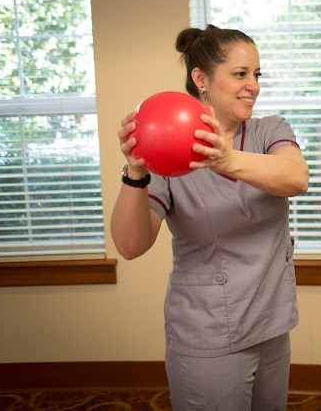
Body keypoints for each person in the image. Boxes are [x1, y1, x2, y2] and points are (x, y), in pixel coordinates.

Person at [111, 25, 309, 410]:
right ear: (201, 79)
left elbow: (296, 178)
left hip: (271, 324)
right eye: (240, 74)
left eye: (257, 75)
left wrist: (224, 159)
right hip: (208, 336)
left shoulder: (270, 130)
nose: (253, 85)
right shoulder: (168, 152)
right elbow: (131, 245)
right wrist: (136, 171)